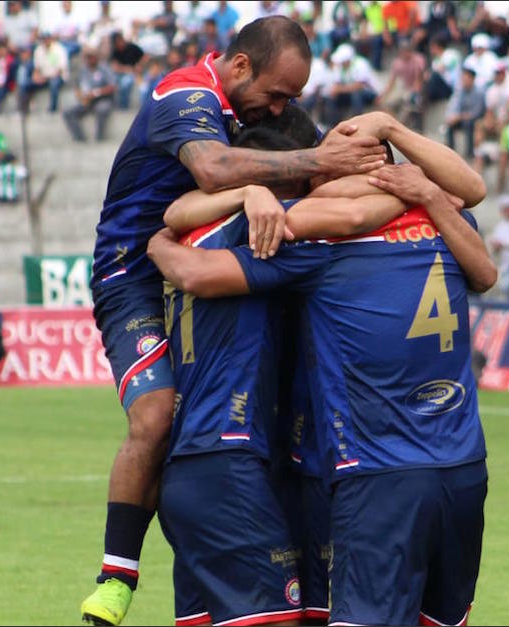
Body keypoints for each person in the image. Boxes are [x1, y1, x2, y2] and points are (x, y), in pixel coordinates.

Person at [79, 16, 387, 627]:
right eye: (277, 94)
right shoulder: (185, 94)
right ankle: (117, 576)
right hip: (136, 272)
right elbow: (216, 170)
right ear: (240, 67)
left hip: (208, 259)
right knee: (158, 414)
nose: (282, 109)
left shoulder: (262, 113)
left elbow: (316, 165)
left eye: (292, 100)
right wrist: (280, 175)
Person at [146, 113, 495, 627]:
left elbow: (195, 258)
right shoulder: (447, 216)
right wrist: (423, 189)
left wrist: (158, 243)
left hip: (377, 473)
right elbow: (483, 259)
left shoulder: (320, 243)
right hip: (465, 464)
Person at [61, 47, 115, 143]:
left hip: (102, 99)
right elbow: (77, 86)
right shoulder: (83, 70)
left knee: (102, 110)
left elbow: (112, 87)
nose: (89, 60)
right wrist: (80, 95)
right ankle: (80, 139)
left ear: (96, 57)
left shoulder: (104, 68)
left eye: (91, 57)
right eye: (87, 58)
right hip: (86, 101)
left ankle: (100, 139)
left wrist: (95, 93)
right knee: (68, 113)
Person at [444, 66, 484, 161]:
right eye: (463, 78)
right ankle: (451, 152)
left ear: (472, 79)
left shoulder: (479, 92)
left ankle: (469, 153)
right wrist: (452, 117)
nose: (464, 80)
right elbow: (455, 106)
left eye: (466, 78)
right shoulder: (460, 91)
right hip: (462, 118)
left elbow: (476, 113)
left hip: (476, 120)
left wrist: (459, 117)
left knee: (469, 123)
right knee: (450, 125)